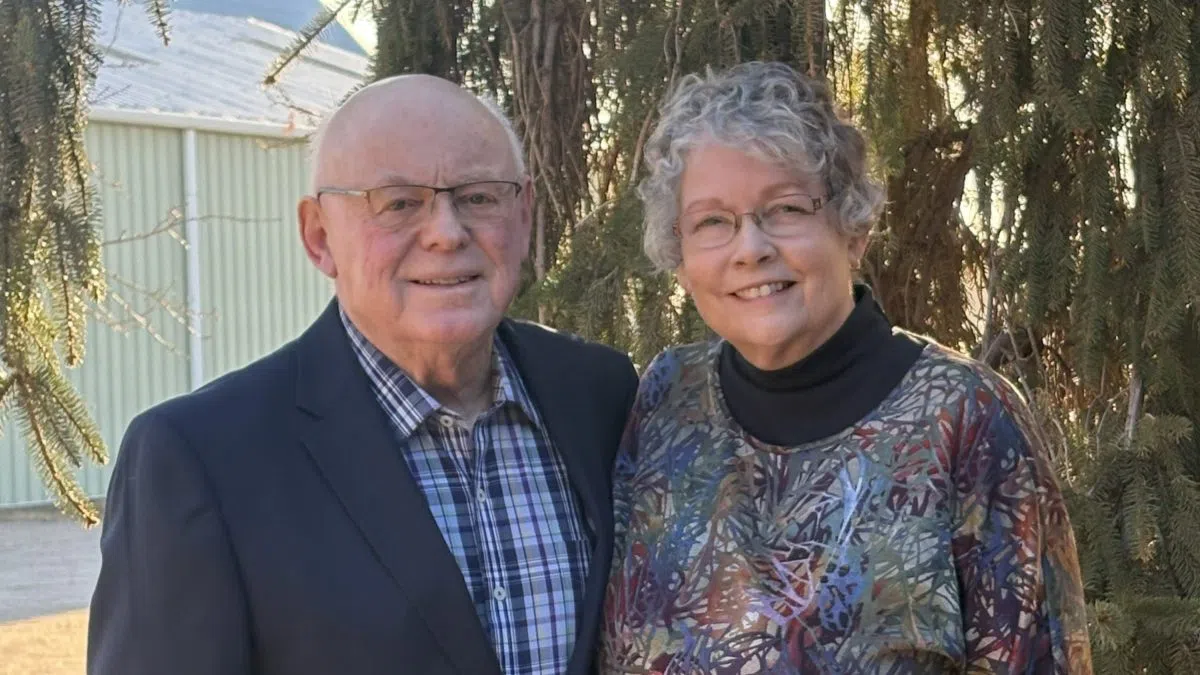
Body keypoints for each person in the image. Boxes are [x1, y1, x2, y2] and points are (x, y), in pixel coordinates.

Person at [87, 74, 638, 675]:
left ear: (525, 214)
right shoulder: (199, 459)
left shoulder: (600, 397)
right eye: (399, 203)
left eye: (479, 197)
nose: (447, 233)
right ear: (319, 237)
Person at [599, 61, 1093, 673]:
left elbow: (1036, 656)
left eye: (784, 210)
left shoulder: (965, 418)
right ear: (679, 256)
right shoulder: (665, 400)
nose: (750, 248)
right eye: (713, 222)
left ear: (853, 229)